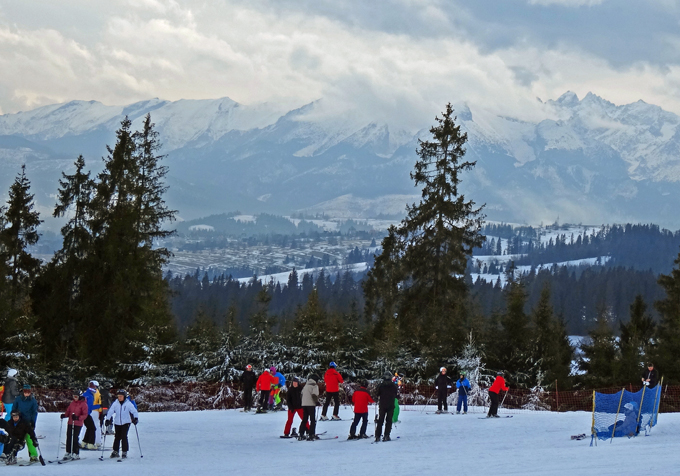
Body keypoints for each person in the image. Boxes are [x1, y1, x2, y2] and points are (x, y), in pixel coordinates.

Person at [105, 389, 139, 459]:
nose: (119, 397)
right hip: (117, 422)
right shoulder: (115, 403)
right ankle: (115, 451)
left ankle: (124, 451)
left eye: (121, 396)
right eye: (118, 396)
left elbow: (134, 411)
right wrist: (108, 419)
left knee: (124, 436)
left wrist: (136, 418)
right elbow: (110, 411)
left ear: (124, 397)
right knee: (117, 437)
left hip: (126, 422)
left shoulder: (128, 403)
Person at [60, 390, 89, 460]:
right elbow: (68, 411)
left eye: (76, 397)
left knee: (75, 437)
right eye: (74, 397)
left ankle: (76, 453)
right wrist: (65, 415)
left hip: (78, 423)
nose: (75, 398)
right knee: (69, 437)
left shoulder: (83, 404)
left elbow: (85, 415)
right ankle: (68, 452)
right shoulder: (72, 403)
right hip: (70, 422)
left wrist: (78, 417)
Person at [13, 385, 38, 461]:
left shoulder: (33, 401)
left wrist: (33, 422)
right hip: (19, 422)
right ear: (23, 391)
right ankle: (13, 455)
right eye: (25, 391)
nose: (27, 393)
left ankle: (33, 455)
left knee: (29, 439)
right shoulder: (18, 399)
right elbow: (14, 409)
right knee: (16, 439)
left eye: (28, 392)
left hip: (28, 422)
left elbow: (34, 412)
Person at [374, 372, 398, 442]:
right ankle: (386, 435)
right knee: (389, 421)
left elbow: (377, 394)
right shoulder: (393, 386)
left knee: (380, 420)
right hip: (390, 404)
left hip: (382, 405)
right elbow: (396, 394)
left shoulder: (381, 385)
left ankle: (378, 436)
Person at [81, 380, 102, 449]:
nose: (96, 389)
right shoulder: (90, 395)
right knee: (93, 428)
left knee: (89, 428)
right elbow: (89, 407)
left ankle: (84, 442)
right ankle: (90, 444)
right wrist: (99, 406)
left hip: (83, 413)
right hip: (86, 414)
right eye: (96, 387)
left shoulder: (85, 394)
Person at [299, 374, 320, 441]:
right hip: (311, 405)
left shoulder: (306, 386)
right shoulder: (314, 386)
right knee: (313, 420)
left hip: (304, 404)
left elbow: (301, 395)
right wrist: (317, 402)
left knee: (305, 419)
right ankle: (311, 434)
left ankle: (301, 434)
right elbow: (314, 395)